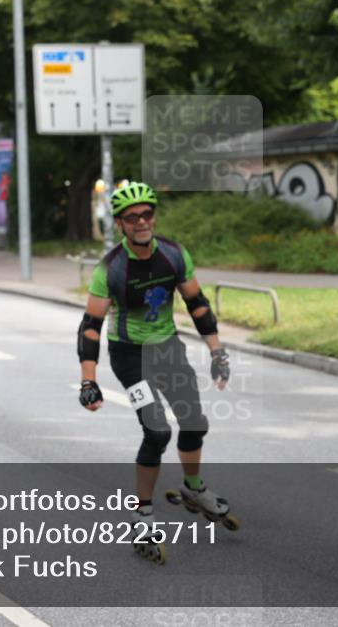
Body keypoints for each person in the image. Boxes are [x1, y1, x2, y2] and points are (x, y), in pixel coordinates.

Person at [76, 182, 232, 559]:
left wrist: (217, 352)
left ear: (154, 217)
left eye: (147, 214)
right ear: (120, 224)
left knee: (194, 423)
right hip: (130, 356)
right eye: (132, 217)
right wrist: (88, 380)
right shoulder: (111, 268)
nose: (141, 222)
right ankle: (142, 514)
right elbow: (91, 327)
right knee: (157, 429)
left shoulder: (174, 255)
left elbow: (197, 304)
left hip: (168, 350)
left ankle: (193, 487)